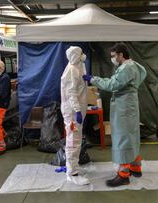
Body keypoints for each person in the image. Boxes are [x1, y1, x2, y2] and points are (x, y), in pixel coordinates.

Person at [83, 43, 146, 187]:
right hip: (129, 106)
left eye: (113, 56)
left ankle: (123, 175)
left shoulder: (127, 68)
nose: (112, 58)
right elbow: (142, 75)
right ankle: (136, 168)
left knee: (122, 138)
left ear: (121, 55)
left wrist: (93, 79)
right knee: (131, 137)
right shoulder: (134, 65)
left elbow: (112, 85)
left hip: (124, 108)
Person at [61, 46, 90, 185]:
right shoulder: (72, 70)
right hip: (73, 112)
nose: (83, 55)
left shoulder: (78, 67)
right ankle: (72, 173)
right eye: (81, 53)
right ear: (76, 56)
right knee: (73, 142)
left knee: (75, 141)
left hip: (76, 111)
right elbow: (71, 93)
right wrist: (78, 110)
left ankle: (72, 167)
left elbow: (78, 88)